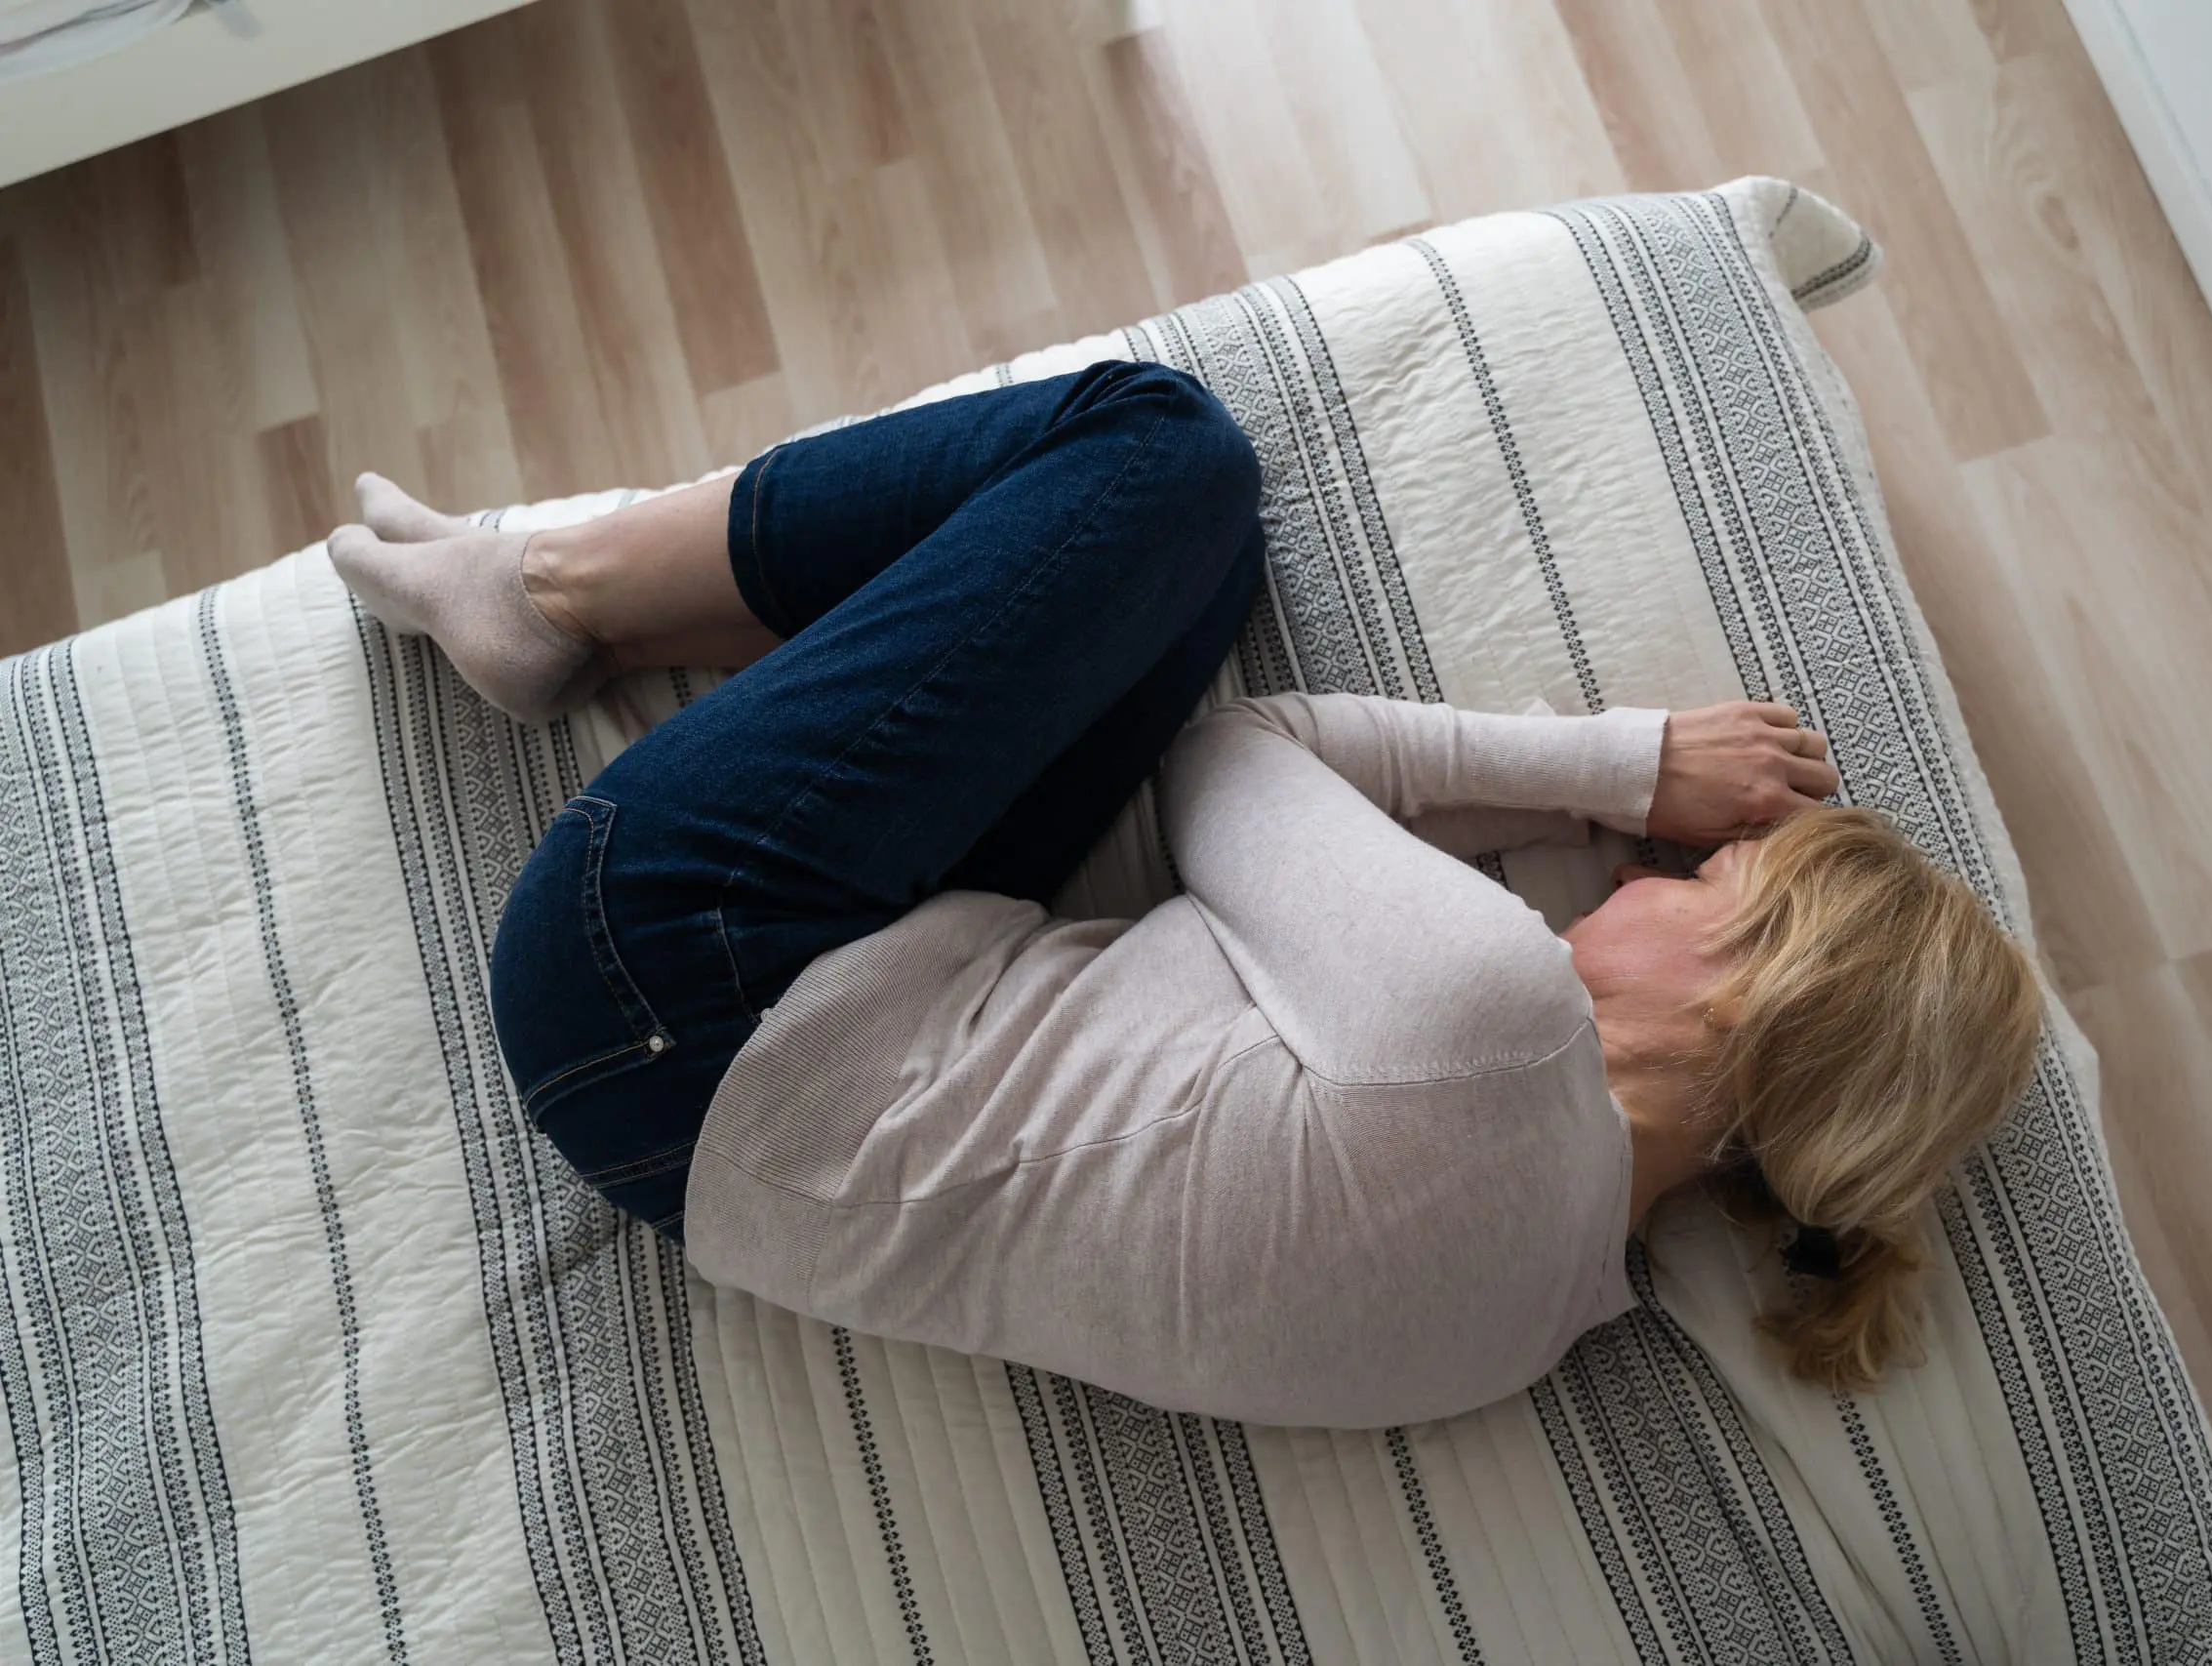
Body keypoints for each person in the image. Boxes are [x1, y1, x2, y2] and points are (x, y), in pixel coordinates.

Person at [329, 361, 2041, 1427]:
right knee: (1195, 574)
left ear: (1754, 981)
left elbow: (1235, 760)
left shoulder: (1493, 1022)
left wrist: (1619, 761)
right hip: (712, 1149)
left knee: (1167, 460)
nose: (1647, 863)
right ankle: (580, 605)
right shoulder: (1546, 1318)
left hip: (673, 971)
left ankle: (545, 577)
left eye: (1705, 872)